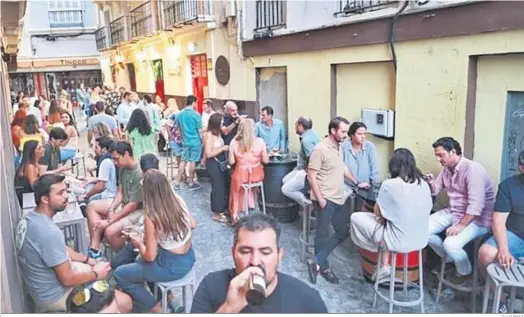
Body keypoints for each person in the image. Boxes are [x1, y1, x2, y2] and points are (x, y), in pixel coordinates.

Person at [15, 174, 132, 313]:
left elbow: (60, 249)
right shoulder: (48, 232)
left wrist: (88, 260)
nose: (66, 196)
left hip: (43, 288)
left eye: (66, 191)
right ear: (45, 199)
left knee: (103, 270)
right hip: (56, 296)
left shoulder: (30, 218)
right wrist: (95, 274)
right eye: (60, 193)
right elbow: (67, 279)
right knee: (126, 302)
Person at [191, 214, 328, 313]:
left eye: (265, 252)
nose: (255, 261)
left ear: (279, 256)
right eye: (245, 251)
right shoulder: (211, 286)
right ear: (233, 254)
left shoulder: (308, 301)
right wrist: (229, 309)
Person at [112, 170, 196, 313]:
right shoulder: (177, 199)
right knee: (140, 263)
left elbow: (150, 256)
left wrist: (138, 241)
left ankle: (156, 309)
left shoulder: (152, 216)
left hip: (171, 265)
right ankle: (169, 299)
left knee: (121, 273)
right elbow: (192, 224)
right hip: (188, 257)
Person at [350, 148, 433, 281]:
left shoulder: (390, 184)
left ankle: (379, 257)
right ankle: (384, 266)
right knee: (388, 223)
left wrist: (384, 215)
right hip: (421, 240)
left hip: (397, 241)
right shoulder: (424, 184)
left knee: (356, 217)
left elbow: (377, 212)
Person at [426, 137, 495, 285]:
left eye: (441, 155)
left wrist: (459, 226)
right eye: (437, 156)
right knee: (421, 230)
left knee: (451, 244)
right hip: (455, 211)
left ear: (453, 152)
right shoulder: (447, 170)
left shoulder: (473, 169)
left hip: (478, 219)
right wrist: (431, 182)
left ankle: (465, 272)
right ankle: (450, 259)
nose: (438, 159)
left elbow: (476, 207)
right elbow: (436, 190)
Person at [306, 116, 356, 284]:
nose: (345, 135)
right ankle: (324, 268)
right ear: (333, 131)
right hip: (325, 198)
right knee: (322, 233)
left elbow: (342, 168)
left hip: (338, 197)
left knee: (343, 231)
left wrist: (356, 181)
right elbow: (311, 176)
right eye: (343, 131)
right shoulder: (320, 149)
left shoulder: (339, 147)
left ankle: (316, 261)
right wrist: (320, 199)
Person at [478, 150, 524, 312]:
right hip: (516, 236)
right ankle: (501, 299)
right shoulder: (508, 186)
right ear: (521, 167)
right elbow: (498, 221)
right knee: (486, 252)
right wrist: (503, 249)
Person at [87, 141, 143, 257]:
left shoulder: (139, 173)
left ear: (126, 154)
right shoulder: (122, 169)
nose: (115, 162)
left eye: (117, 159)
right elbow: (120, 193)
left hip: (138, 210)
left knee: (110, 231)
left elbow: (132, 205)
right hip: (124, 204)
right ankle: (95, 247)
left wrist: (109, 221)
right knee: (92, 206)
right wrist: (112, 209)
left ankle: (123, 255)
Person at [229, 118, 269, 224]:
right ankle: (253, 205)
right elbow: (266, 160)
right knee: (252, 184)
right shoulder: (260, 142)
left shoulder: (234, 142)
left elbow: (231, 162)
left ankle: (236, 214)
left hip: (241, 175)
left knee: (235, 187)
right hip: (257, 175)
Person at [281, 116, 320, 206]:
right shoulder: (313, 134)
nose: (295, 127)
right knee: (285, 180)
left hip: (307, 172)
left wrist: (306, 174)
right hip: (301, 169)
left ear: (301, 126)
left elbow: (313, 159)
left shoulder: (306, 140)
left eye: (296, 125)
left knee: (285, 189)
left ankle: (306, 203)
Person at [341, 122, 380, 200]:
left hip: (365, 187)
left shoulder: (370, 147)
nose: (363, 137)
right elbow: (341, 168)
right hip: (347, 187)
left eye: (364, 134)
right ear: (352, 135)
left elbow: (374, 169)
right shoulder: (343, 147)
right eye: (359, 134)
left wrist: (372, 187)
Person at [204, 113, 230, 223]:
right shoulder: (209, 135)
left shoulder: (218, 134)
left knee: (223, 185)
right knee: (217, 187)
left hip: (221, 162)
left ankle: (222, 209)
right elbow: (208, 153)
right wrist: (223, 149)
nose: (223, 124)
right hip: (213, 163)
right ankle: (216, 212)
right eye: (221, 122)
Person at [175, 95, 203, 190]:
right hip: (195, 141)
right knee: (193, 161)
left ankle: (177, 182)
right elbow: (199, 130)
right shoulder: (196, 115)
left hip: (185, 142)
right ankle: (191, 182)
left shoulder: (180, 114)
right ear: (193, 102)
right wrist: (202, 140)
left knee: (183, 161)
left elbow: (178, 129)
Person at [78, 136, 117, 204]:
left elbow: (100, 186)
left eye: (96, 147)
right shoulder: (110, 158)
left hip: (109, 194)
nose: (94, 149)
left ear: (104, 149)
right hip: (112, 191)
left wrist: (86, 196)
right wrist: (90, 179)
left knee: (86, 196)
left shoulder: (105, 161)